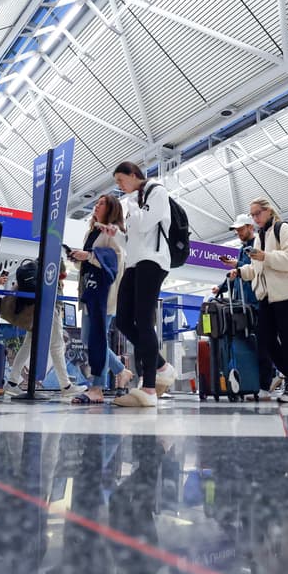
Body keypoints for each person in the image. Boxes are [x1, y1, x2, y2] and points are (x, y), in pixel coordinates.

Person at [104, 161, 172, 408]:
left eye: (121, 180)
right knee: (122, 320)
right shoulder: (134, 200)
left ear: (134, 175)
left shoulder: (157, 191)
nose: (119, 186)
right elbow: (132, 239)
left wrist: (132, 201)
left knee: (144, 320)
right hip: (134, 263)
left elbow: (144, 224)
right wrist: (117, 235)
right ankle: (162, 365)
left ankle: (150, 388)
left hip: (152, 261)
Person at [232, 197, 288, 404]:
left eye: (258, 213)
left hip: (286, 293)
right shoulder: (259, 237)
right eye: (253, 215)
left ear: (268, 211)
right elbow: (258, 269)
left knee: (287, 339)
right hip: (266, 295)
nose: (255, 218)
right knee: (265, 339)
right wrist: (240, 271)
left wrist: (266, 256)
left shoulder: (282, 229)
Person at [217, 213, 283, 398]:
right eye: (236, 230)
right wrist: (220, 288)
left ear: (250, 227)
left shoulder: (257, 244)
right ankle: (256, 380)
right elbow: (240, 271)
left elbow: (254, 268)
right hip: (243, 304)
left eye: (240, 229)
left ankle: (269, 379)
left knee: (263, 343)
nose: (238, 232)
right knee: (251, 344)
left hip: (257, 302)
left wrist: (238, 265)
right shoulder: (242, 248)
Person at [68, 195, 126, 404]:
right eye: (96, 202)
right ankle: (121, 370)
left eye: (101, 203)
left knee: (98, 338)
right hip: (89, 291)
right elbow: (90, 262)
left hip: (105, 294)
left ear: (111, 209)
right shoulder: (91, 232)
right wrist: (78, 258)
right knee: (87, 339)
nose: (96, 205)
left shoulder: (113, 232)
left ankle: (97, 388)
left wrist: (89, 256)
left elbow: (114, 261)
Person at [3, 260, 86, 400]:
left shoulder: (42, 260)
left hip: (37, 308)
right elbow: (62, 275)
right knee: (57, 346)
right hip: (50, 307)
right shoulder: (56, 256)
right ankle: (66, 386)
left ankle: (11, 382)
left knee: (27, 346)